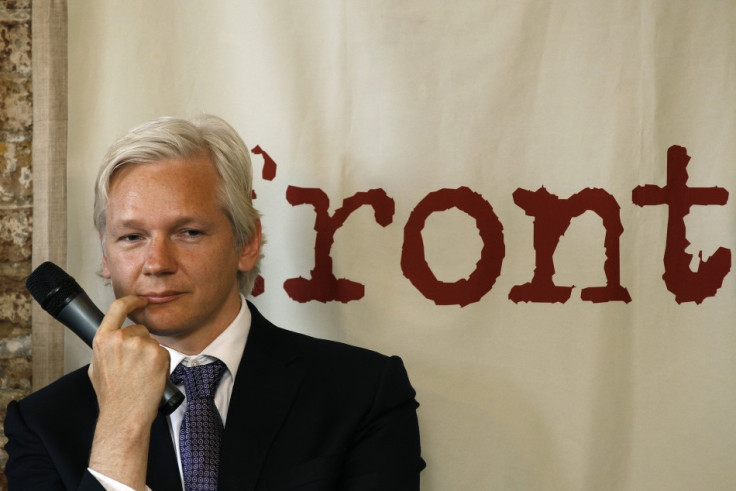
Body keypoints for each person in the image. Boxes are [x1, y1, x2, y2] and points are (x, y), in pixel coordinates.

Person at [4, 115, 425, 490]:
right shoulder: (43, 422)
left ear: (247, 242)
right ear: (105, 255)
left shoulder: (362, 391)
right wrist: (121, 429)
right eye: (132, 237)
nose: (157, 263)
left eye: (189, 232)